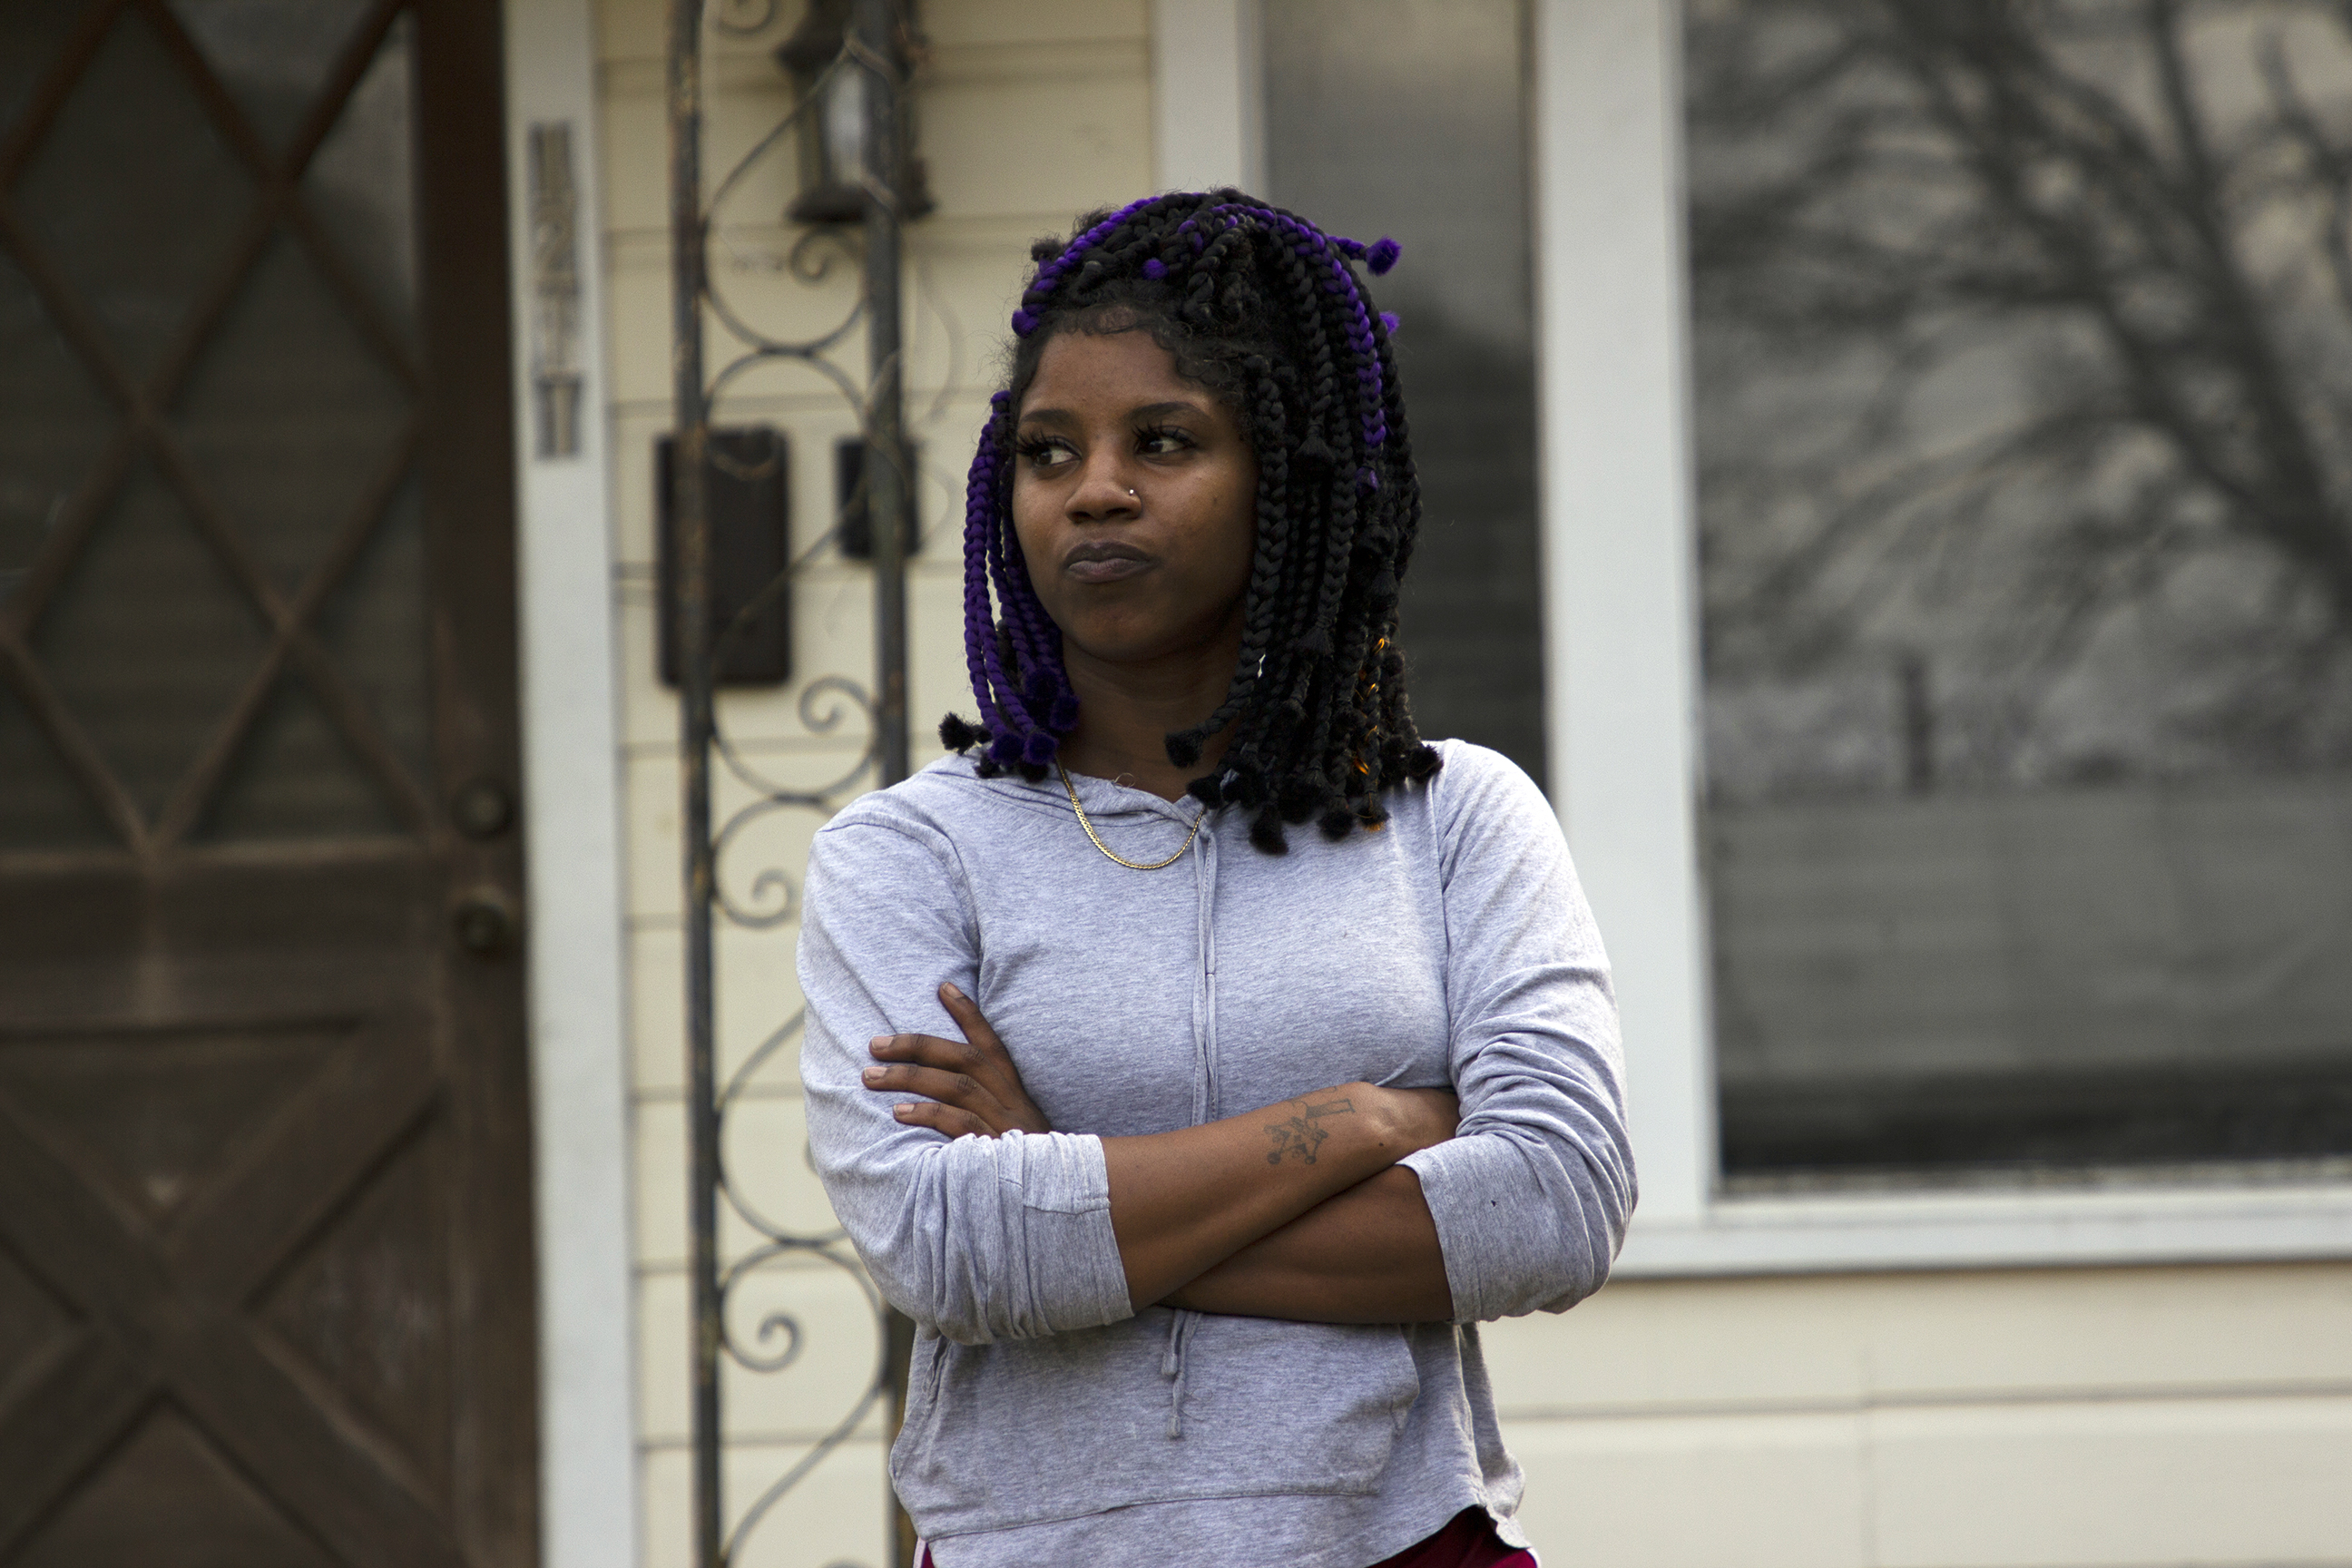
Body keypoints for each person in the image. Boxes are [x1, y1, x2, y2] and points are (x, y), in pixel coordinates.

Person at [799, 190, 1633, 1568]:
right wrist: (1365, 1122)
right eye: (1048, 450)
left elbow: (1555, 1204)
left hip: (1397, 1540)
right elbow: (941, 1250)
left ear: (1291, 478)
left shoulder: (1458, 822)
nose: (1095, 488)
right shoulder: (907, 856)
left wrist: (1065, 1194)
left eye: (1163, 441)